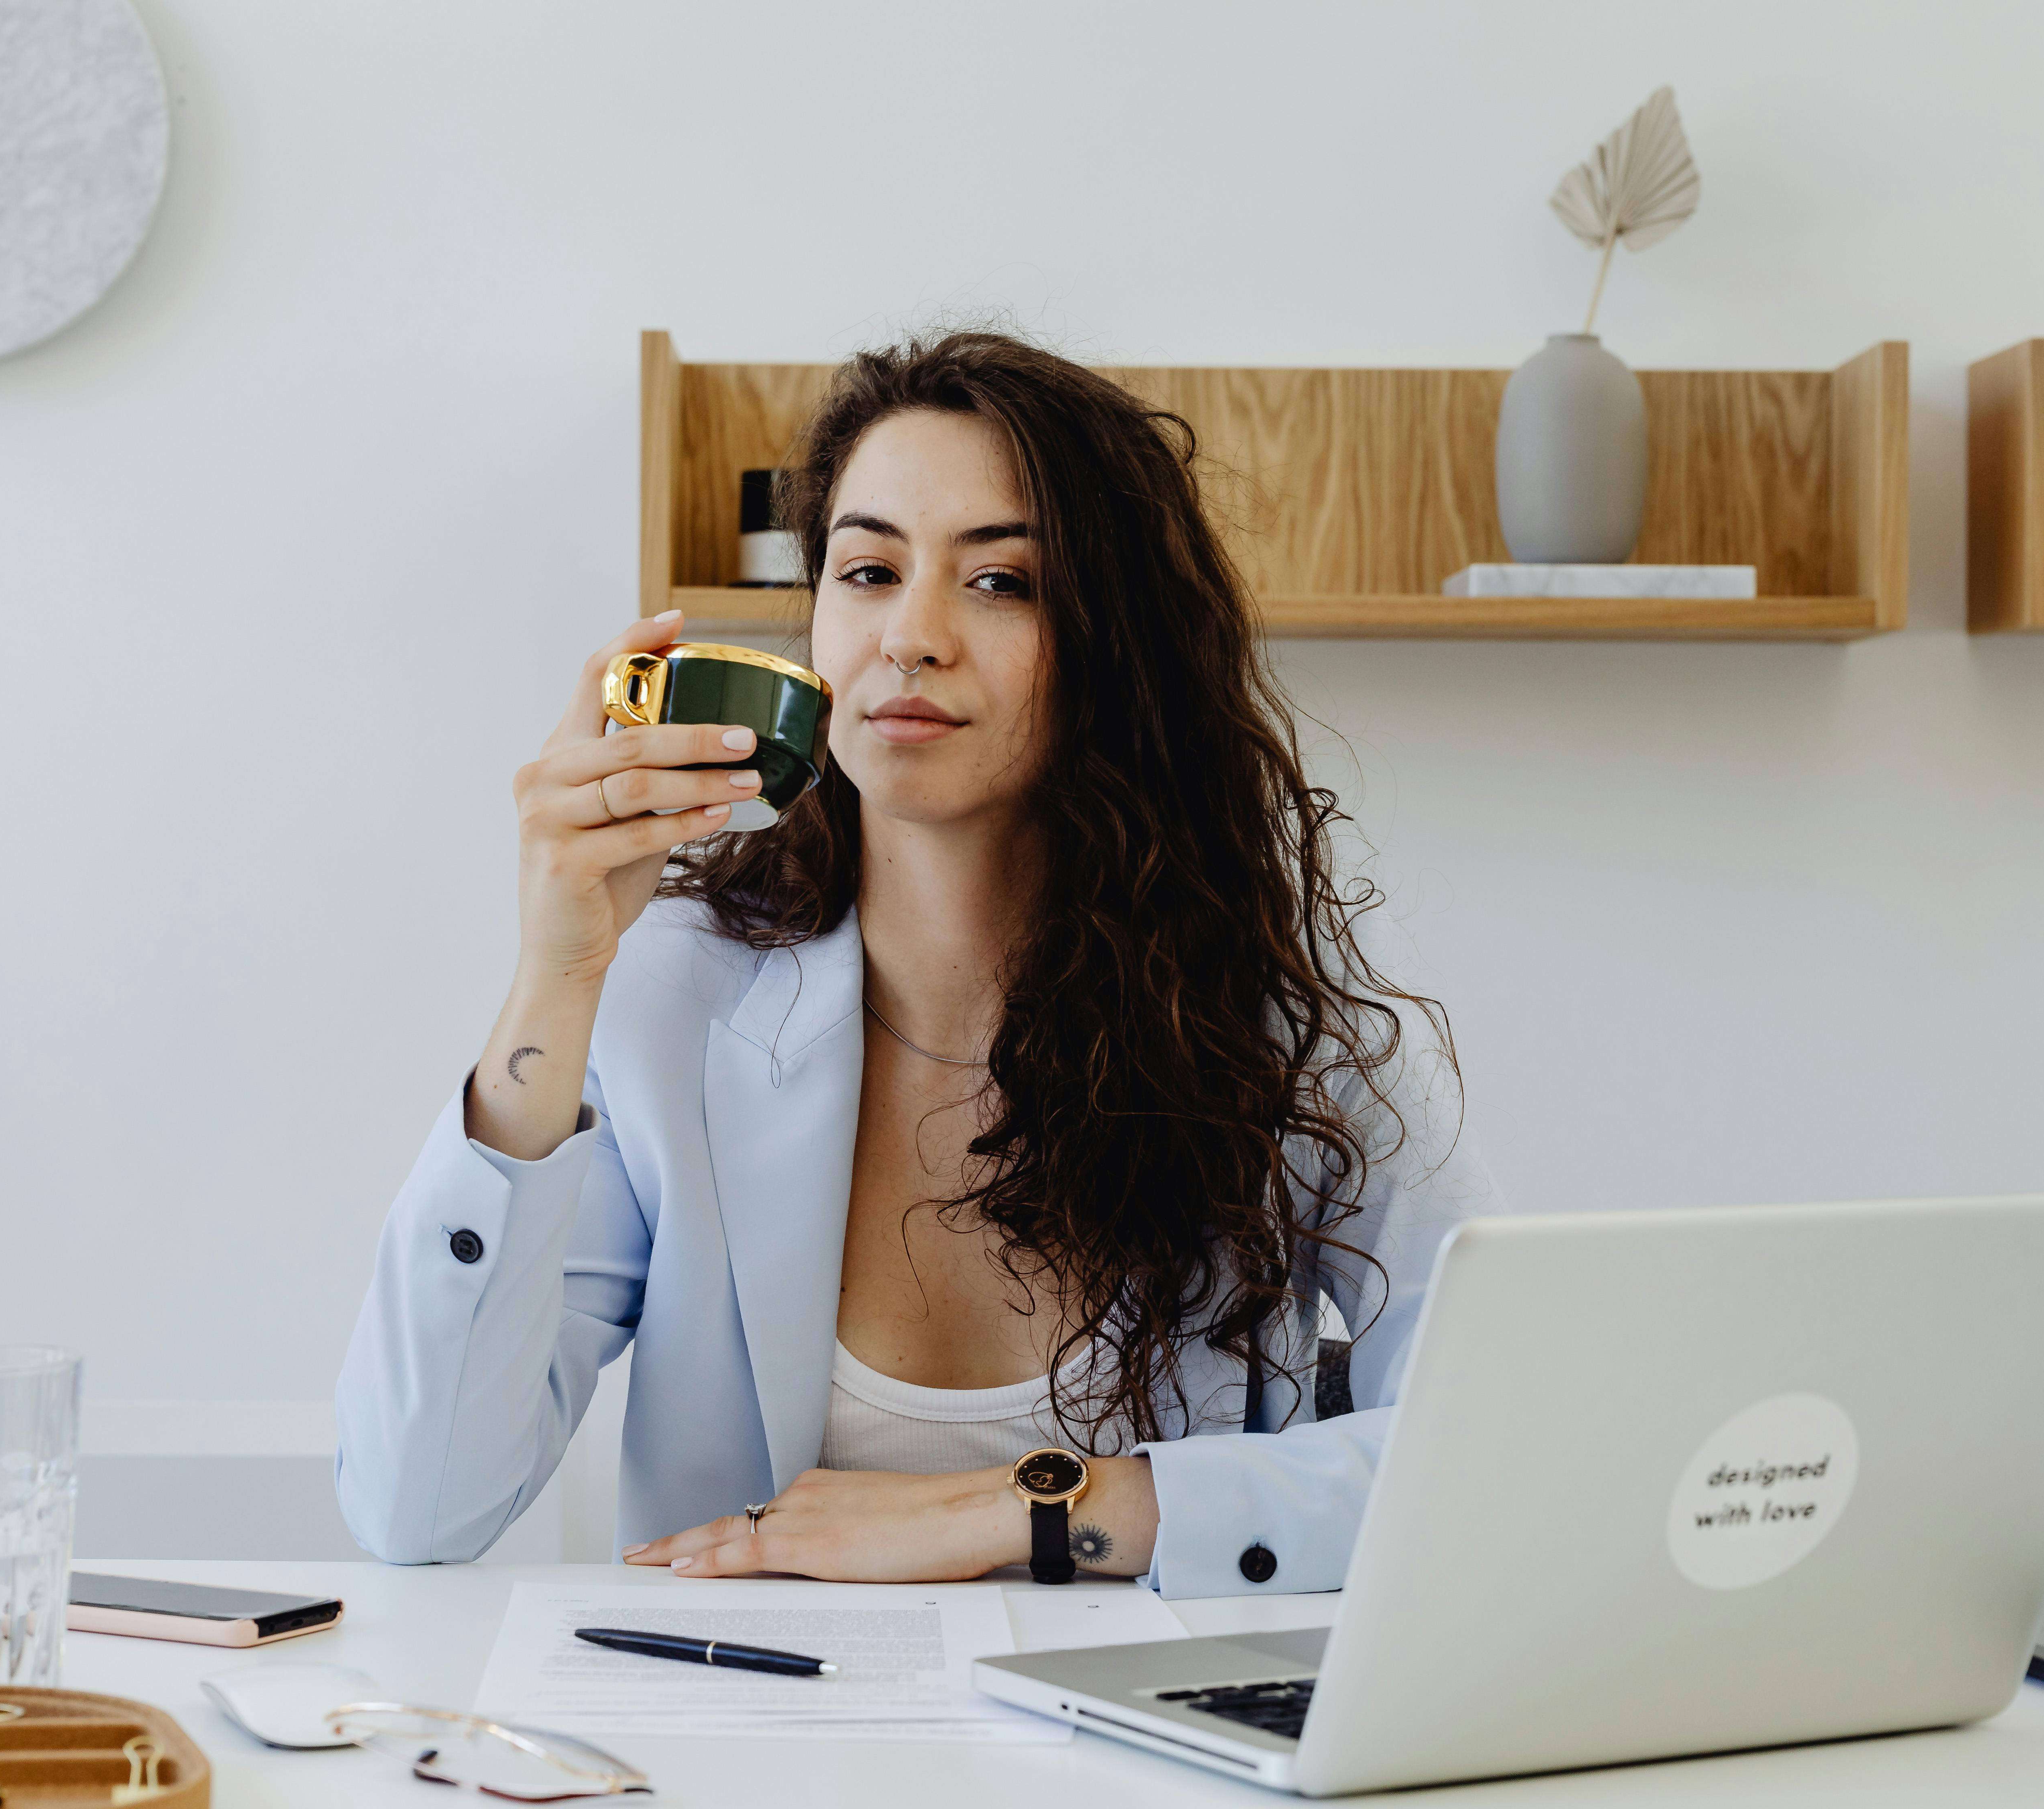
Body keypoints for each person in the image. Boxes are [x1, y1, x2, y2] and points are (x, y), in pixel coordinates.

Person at [333, 331, 1491, 1597]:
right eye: (870, 569)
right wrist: (556, 978)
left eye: (1002, 583)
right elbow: (418, 1504)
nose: (913, 636)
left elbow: (1499, 1447)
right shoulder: (673, 995)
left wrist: (1026, 1510)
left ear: (1118, 647)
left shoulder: (1282, 1020)